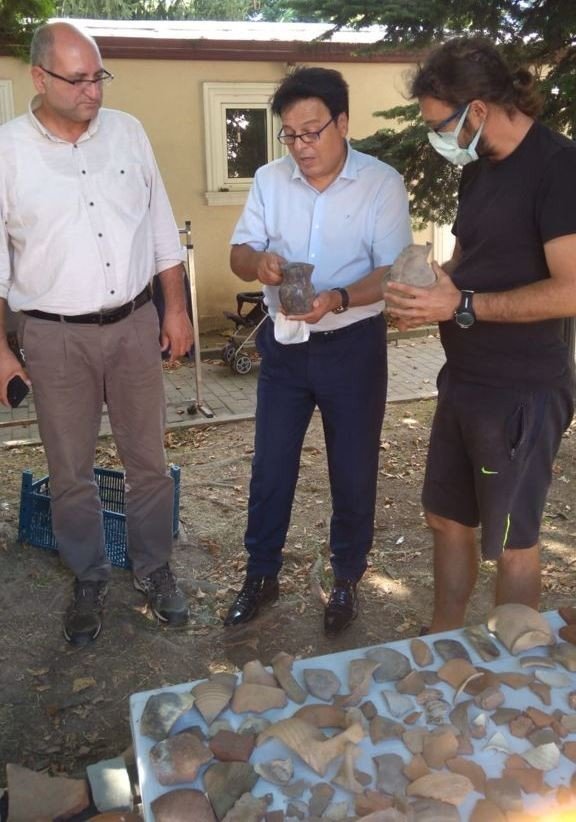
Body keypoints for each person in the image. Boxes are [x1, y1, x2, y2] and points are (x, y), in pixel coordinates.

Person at [0, 22, 194, 646]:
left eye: (98, 76)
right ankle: (88, 575)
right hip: (54, 336)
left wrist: (176, 309)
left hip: (135, 324)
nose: (93, 91)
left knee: (149, 462)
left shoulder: (128, 132)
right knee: (70, 470)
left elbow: (161, 228)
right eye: (78, 79)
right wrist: (2, 352)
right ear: (40, 78)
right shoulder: (7, 152)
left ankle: (154, 568)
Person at [383, 37, 576, 633]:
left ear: (479, 109)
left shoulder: (558, 167)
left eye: (439, 125)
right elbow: (470, 258)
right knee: (445, 519)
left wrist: (461, 304)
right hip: (465, 379)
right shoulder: (479, 170)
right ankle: (447, 643)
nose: (436, 138)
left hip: (523, 390)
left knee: (513, 542)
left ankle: (514, 668)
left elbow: (571, 288)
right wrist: (431, 293)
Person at [223, 67, 412, 635]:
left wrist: (338, 298)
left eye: (312, 132)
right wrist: (258, 263)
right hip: (285, 347)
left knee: (352, 469)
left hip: (353, 347)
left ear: (342, 123)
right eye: (290, 134)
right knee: (271, 465)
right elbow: (238, 252)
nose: (301, 146)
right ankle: (261, 573)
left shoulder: (380, 183)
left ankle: (347, 577)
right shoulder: (269, 179)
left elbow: (393, 271)